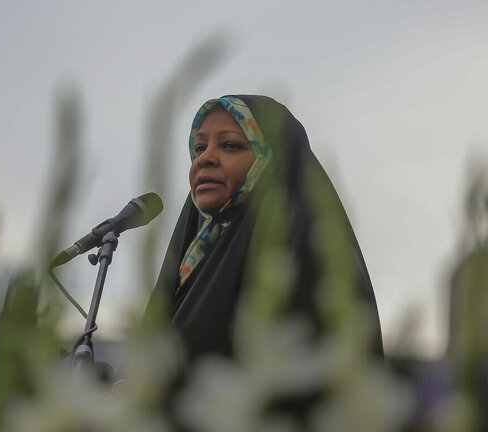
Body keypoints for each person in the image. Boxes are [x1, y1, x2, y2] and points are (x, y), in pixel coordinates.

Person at [145, 94, 383, 362]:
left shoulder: (303, 254)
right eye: (199, 148)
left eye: (230, 145)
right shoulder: (193, 256)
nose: (204, 159)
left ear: (273, 161)